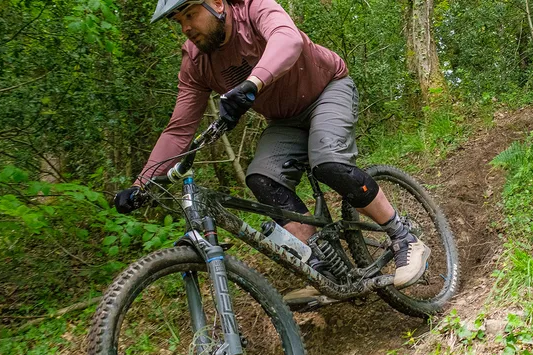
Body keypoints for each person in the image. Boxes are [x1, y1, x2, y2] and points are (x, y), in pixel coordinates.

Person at [112, 0, 429, 301]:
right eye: (178, 21)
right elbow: (180, 128)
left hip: (328, 89)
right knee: (262, 178)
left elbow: (288, 40)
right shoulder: (196, 62)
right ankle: (324, 267)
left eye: (190, 14)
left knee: (329, 162)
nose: (185, 28)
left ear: (219, 4)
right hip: (285, 119)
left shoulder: (253, 9)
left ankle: (403, 235)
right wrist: (142, 184)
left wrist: (252, 84)